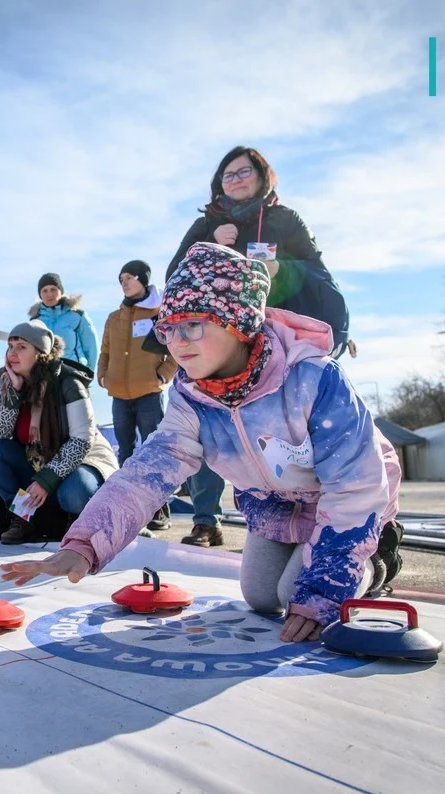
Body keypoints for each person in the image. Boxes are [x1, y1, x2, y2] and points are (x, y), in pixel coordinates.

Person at [1, 244, 404, 643]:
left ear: (238, 321)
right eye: (168, 329)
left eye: (192, 324)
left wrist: (322, 596)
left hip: (354, 500)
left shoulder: (313, 378)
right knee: (262, 597)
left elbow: (355, 488)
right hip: (277, 504)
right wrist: (85, 545)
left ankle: (379, 555)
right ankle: (312, 553)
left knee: (297, 595)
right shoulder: (192, 396)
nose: (177, 342)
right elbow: (145, 476)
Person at [163, 146, 352, 549]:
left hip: (279, 344)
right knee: (211, 427)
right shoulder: (207, 224)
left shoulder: (285, 220)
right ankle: (205, 519)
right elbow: (175, 275)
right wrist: (211, 242)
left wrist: (283, 269)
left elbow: (320, 273)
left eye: (242, 171)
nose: (235, 179)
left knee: (293, 432)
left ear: (262, 176)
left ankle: (323, 519)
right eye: (227, 175)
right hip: (222, 344)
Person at [0, 320, 117, 544]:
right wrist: (12, 395)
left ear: (40, 353)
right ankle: (22, 518)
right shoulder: (10, 383)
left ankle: (81, 527)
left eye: (21, 347)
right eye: (10, 346)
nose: (12, 353)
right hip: (38, 464)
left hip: (84, 462)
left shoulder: (69, 382)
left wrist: (47, 480)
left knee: (75, 492)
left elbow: (82, 440)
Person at [97, 259, 176, 533]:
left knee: (154, 452)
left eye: (129, 277)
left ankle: (159, 510)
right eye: (121, 279)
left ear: (143, 279)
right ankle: (131, 508)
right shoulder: (114, 318)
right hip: (119, 394)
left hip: (149, 394)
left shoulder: (159, 313)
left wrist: (163, 375)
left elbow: (175, 348)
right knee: (126, 453)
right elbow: (105, 351)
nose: (125, 283)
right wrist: (103, 375)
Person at [30, 273, 99, 369]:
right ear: (40, 295)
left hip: (74, 371)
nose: (49, 294)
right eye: (45, 291)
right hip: (45, 374)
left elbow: (91, 347)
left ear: (61, 291)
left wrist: (89, 373)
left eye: (53, 289)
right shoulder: (35, 322)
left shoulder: (77, 316)